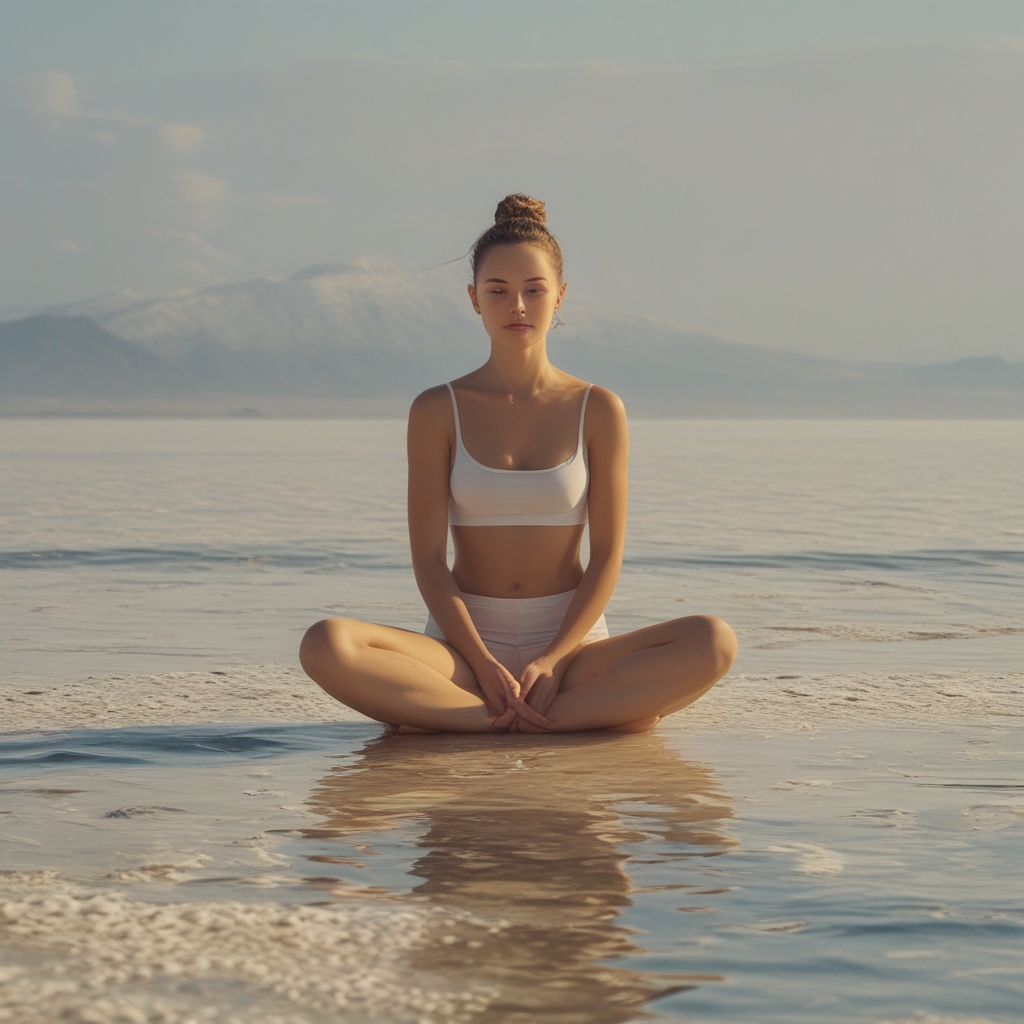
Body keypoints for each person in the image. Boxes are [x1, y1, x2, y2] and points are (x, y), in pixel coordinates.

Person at [299, 194, 736, 733]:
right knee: (326, 642)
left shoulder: (598, 408)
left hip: (573, 649)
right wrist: (481, 661)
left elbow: (606, 557)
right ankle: (525, 719)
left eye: (534, 290)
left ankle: (509, 717)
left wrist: (554, 659)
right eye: (498, 291)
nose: (518, 306)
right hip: (463, 650)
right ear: (473, 298)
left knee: (713, 640)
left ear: (561, 295)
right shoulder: (437, 409)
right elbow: (430, 561)